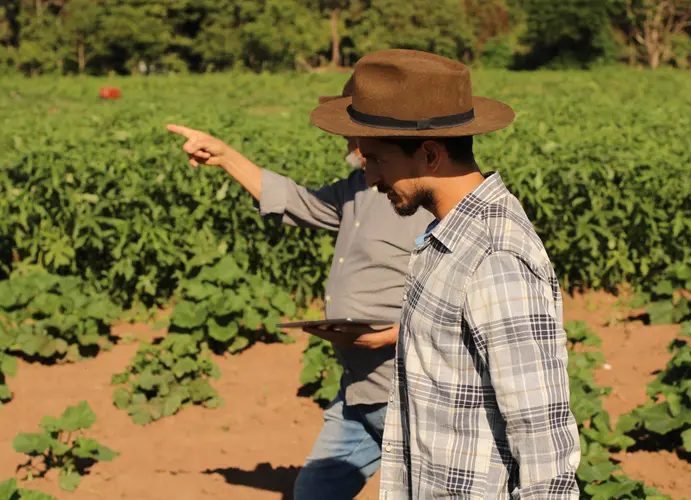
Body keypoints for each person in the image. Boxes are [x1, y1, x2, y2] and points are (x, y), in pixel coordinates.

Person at [309, 49, 581, 499]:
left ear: (430, 154)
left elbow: (541, 434)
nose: (370, 178)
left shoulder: (494, 256)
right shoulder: (447, 236)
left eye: (376, 160)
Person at [166, 81, 435, 500]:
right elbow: (298, 204)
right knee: (314, 491)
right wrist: (226, 158)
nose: (347, 139)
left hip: (409, 394)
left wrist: (394, 333)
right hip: (360, 388)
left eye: (354, 129)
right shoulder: (358, 190)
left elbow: (462, 303)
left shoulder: (425, 202)